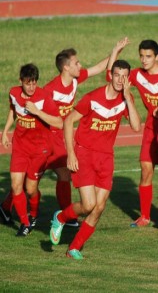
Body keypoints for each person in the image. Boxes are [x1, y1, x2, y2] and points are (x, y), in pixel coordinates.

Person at [49, 59, 141, 259]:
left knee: (99, 208)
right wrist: (71, 153)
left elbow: (136, 126)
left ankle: (73, 248)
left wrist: (128, 97)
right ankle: (61, 217)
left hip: (106, 157)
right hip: (84, 154)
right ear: (111, 75)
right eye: (117, 75)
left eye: (124, 76)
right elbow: (68, 121)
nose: (120, 80)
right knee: (88, 204)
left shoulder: (126, 99)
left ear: (128, 79)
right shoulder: (92, 98)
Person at [43, 48, 110, 226]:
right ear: (66, 67)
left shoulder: (74, 79)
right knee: (41, 177)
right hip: (49, 136)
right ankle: (67, 216)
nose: (80, 65)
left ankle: (67, 216)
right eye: (76, 63)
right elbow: (47, 117)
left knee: (62, 174)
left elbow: (99, 68)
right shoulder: (50, 90)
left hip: (63, 135)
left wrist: (116, 51)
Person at [0, 63, 63, 236]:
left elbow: (59, 122)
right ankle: (25, 223)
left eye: (34, 82)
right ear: (21, 81)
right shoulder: (13, 93)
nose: (31, 86)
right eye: (28, 83)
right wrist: (5, 132)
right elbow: (13, 111)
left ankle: (34, 214)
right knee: (15, 185)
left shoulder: (43, 98)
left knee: (30, 189)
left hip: (40, 150)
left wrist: (37, 112)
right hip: (20, 147)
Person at [106, 38, 158, 227]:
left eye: (148, 56)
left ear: (157, 57)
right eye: (141, 56)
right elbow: (110, 78)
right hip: (152, 128)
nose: (144, 60)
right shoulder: (136, 75)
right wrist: (115, 51)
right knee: (145, 170)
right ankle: (145, 216)